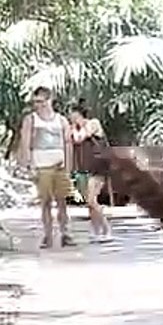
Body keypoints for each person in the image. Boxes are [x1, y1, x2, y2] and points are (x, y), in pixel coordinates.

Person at [18, 86, 74, 249]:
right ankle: (47, 235)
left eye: (42, 101)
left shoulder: (61, 120)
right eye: (36, 102)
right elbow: (25, 142)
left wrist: (68, 166)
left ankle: (65, 233)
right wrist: (28, 164)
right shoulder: (31, 119)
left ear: (50, 100)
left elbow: (68, 144)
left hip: (59, 165)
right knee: (46, 202)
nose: (39, 105)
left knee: (62, 201)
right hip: (42, 165)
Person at [68, 101, 114, 243]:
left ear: (78, 114)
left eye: (72, 114)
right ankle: (96, 231)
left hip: (99, 166)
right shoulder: (75, 127)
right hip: (86, 168)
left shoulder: (93, 123)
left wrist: (74, 128)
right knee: (89, 202)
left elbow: (80, 137)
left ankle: (106, 230)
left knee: (91, 200)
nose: (70, 117)